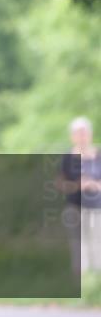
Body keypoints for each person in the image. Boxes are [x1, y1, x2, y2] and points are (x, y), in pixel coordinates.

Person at [58, 116, 101, 274]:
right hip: (74, 207)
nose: (82, 136)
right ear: (73, 136)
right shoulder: (67, 157)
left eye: (84, 132)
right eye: (78, 132)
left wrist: (95, 185)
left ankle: (96, 284)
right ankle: (80, 283)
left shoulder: (99, 155)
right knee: (78, 246)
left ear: (90, 134)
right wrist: (78, 185)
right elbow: (60, 184)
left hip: (96, 207)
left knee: (97, 245)